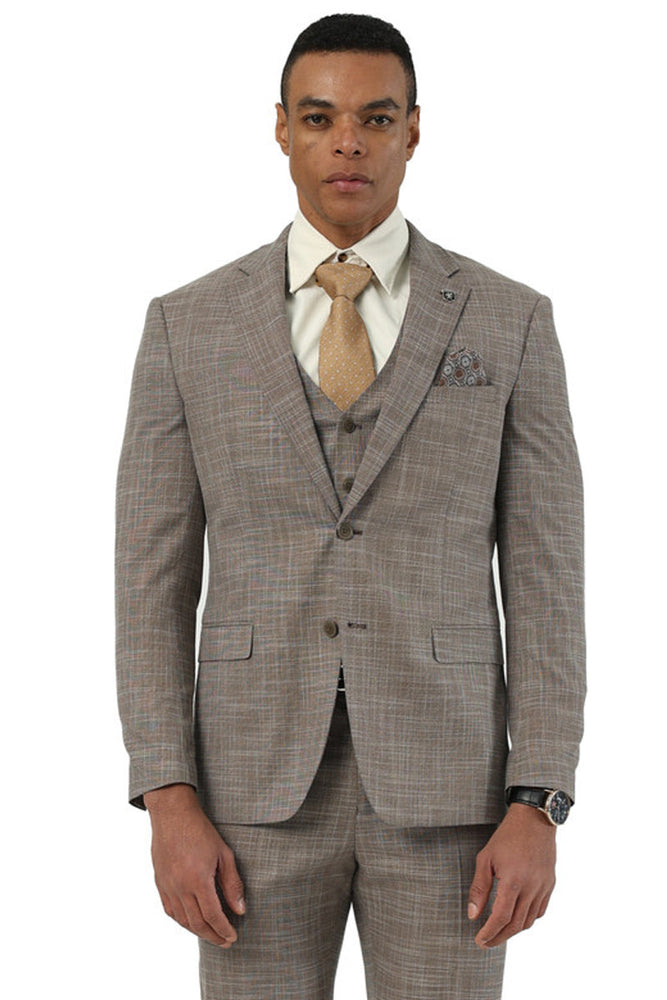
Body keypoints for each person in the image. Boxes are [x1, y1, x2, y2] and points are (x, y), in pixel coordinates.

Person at [115, 13, 585, 1000]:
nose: (347, 143)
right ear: (280, 128)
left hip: (453, 800)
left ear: (413, 130)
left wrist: (538, 797)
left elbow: (546, 573)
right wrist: (167, 794)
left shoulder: (509, 320)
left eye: (375, 118)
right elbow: (150, 578)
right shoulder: (187, 326)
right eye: (320, 117)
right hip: (245, 800)